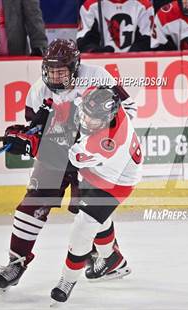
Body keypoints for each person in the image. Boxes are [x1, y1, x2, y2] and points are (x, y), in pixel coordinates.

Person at [0, 38, 137, 294]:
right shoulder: (38, 90)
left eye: (62, 71)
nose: (56, 77)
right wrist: (28, 137)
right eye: (52, 71)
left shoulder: (97, 77)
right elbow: (36, 129)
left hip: (92, 153)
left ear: (75, 67)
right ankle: (16, 263)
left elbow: (129, 111)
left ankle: (109, 258)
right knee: (32, 203)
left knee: (90, 210)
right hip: (58, 155)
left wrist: (93, 134)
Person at [50, 86, 143, 304]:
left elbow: (69, 158)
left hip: (115, 183)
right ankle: (113, 261)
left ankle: (67, 280)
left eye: (93, 120)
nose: (87, 122)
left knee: (83, 226)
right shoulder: (102, 100)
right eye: (86, 116)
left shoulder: (107, 142)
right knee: (99, 220)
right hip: (100, 170)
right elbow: (112, 89)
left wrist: (34, 145)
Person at [77, 0, 154, 52]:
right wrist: (96, 51)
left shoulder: (144, 6)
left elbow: (148, 41)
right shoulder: (90, 6)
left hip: (137, 64)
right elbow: (83, 42)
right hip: (101, 65)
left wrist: (128, 58)